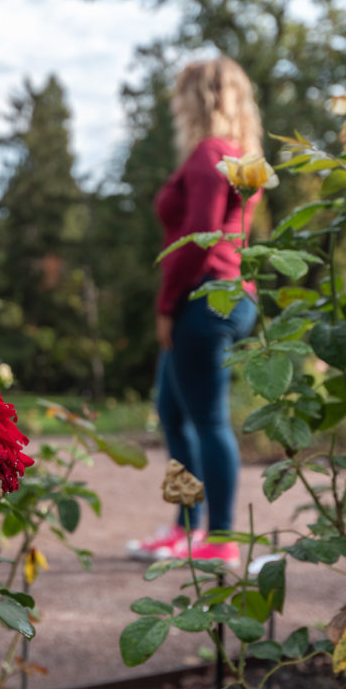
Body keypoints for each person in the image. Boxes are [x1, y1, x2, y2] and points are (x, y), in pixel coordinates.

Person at [126, 56, 263, 566]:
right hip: (222, 295)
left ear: (199, 98)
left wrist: (166, 306)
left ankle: (221, 539)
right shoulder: (235, 154)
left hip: (205, 297)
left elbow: (197, 241)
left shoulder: (209, 154)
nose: (174, 105)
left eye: (180, 94)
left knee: (205, 419)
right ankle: (186, 526)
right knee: (174, 412)